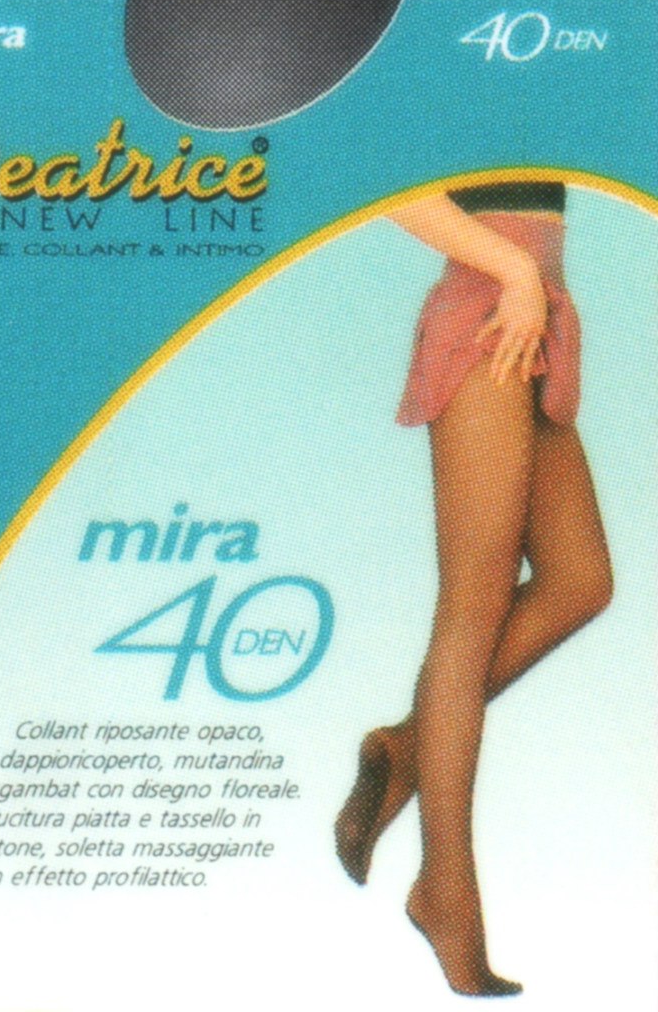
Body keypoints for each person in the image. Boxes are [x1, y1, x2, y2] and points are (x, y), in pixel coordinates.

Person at [335, 184, 613, 996]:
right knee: (471, 611)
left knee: (580, 580)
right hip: (490, 309)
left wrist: (530, 284)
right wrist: (515, 273)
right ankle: (445, 893)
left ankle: (405, 746)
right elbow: (386, 188)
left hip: (528, 312)